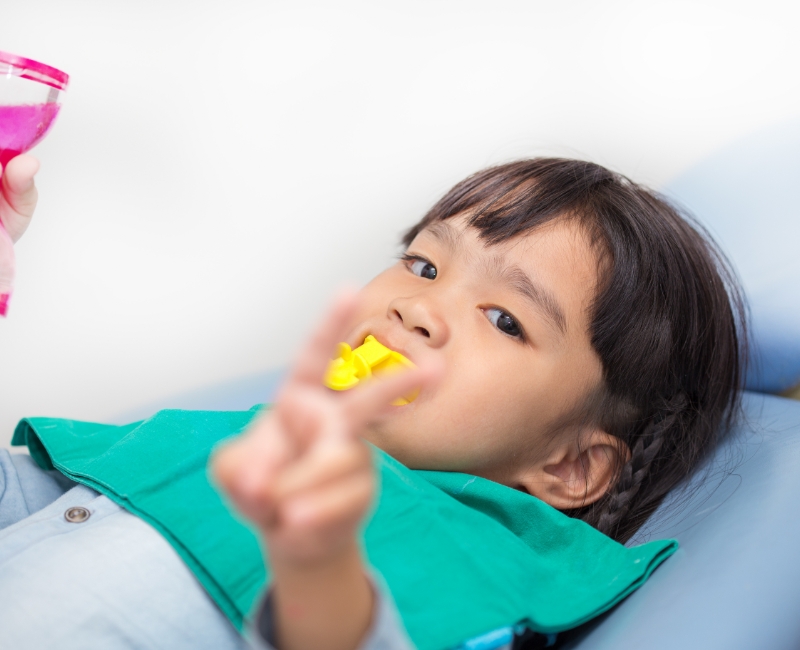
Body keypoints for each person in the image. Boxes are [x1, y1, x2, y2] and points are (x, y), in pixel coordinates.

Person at [0, 156, 744, 650]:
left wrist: (317, 568)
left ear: (571, 465)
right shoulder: (234, 442)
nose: (417, 309)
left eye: (504, 319)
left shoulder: (474, 562)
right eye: (423, 263)